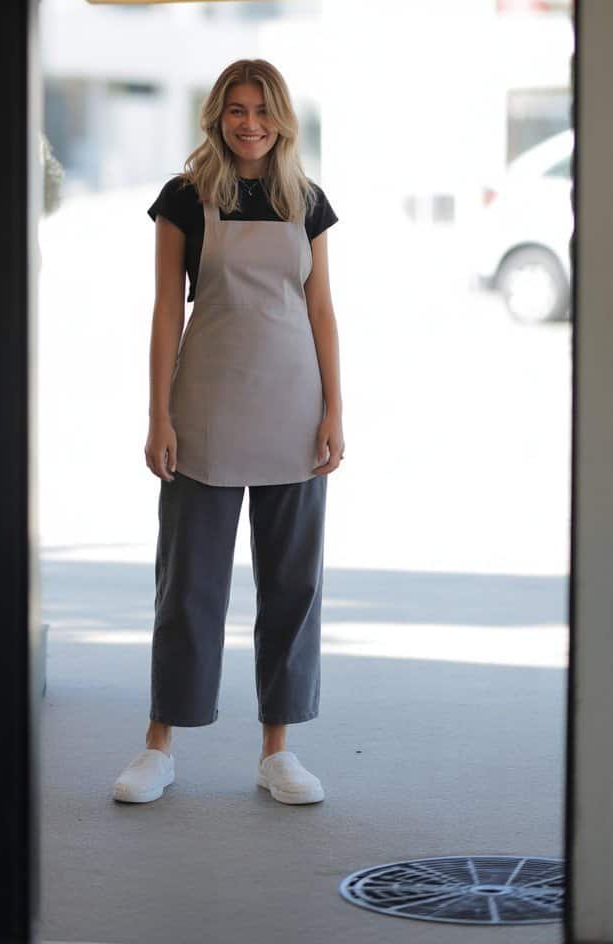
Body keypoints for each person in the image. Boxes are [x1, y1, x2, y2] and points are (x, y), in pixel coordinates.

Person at [112, 58, 344, 807]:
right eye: (237, 110)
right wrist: (158, 413)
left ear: (282, 119)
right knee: (188, 587)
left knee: (291, 588)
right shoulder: (183, 199)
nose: (250, 123)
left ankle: (279, 751)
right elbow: (160, 311)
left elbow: (322, 313)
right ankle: (159, 746)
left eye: (263, 111)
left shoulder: (307, 201)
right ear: (216, 116)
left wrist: (334, 408)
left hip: (292, 411)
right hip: (204, 408)